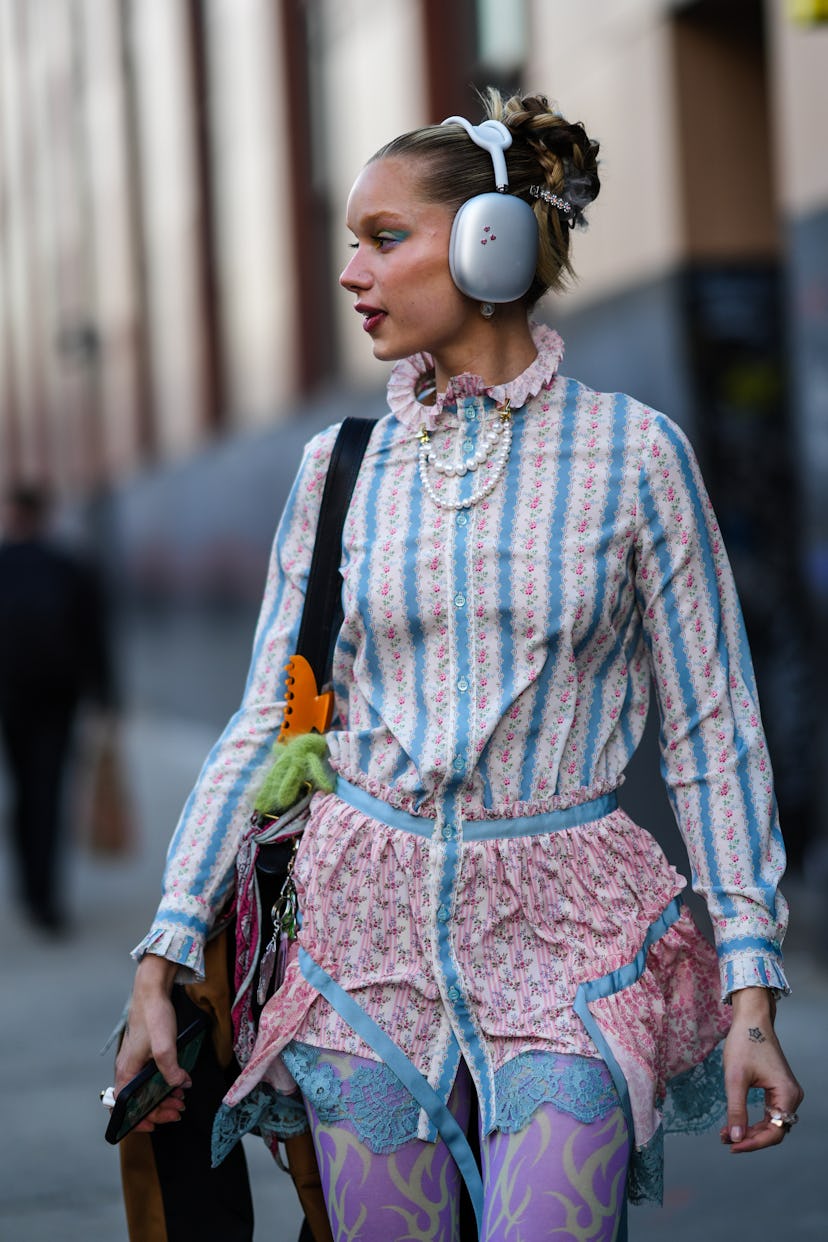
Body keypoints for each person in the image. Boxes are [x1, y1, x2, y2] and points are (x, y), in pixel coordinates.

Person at [113, 91, 803, 1241]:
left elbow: (713, 728)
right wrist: (167, 945)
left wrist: (750, 983)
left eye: (386, 238)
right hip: (363, 948)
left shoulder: (635, 454)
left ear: (493, 240)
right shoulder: (338, 469)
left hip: (569, 946)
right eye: (350, 242)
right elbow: (266, 723)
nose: (353, 272)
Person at [0, 483, 115, 931]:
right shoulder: (70, 568)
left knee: (24, 790)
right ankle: (45, 898)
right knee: (47, 791)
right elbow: (96, 636)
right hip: (59, 697)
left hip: (12, 696)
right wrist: (106, 696)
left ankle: (29, 889)